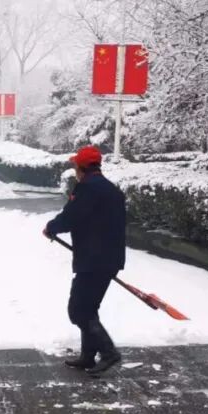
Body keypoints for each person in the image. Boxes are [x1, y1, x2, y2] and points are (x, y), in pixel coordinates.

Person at [43, 146, 126, 376]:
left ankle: (109, 353)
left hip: (93, 259)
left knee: (79, 309)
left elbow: (71, 217)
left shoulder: (87, 189)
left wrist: (51, 228)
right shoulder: (111, 189)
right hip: (108, 258)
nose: (74, 170)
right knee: (89, 308)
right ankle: (88, 356)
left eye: (75, 166)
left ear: (82, 168)